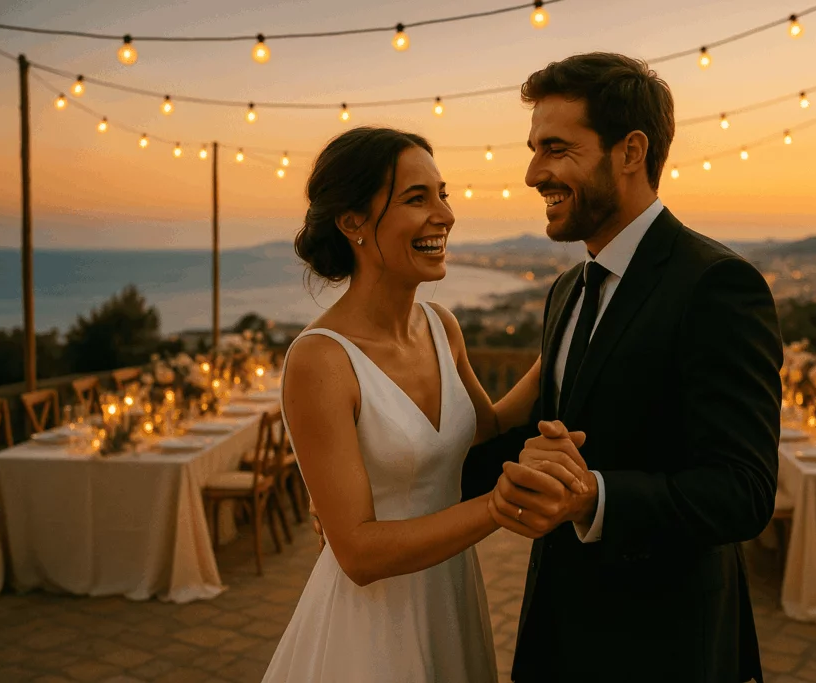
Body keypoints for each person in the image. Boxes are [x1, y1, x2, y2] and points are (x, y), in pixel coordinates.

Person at [461, 52, 784, 682]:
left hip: (665, 646)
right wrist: (386, 502)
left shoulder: (717, 286)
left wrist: (593, 498)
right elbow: (535, 440)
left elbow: (743, 492)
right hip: (559, 633)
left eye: (556, 148)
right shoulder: (566, 290)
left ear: (630, 152)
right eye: (533, 150)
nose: (533, 174)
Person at [262, 126, 589, 682]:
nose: (445, 214)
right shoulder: (320, 361)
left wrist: (573, 333)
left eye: (443, 194)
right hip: (371, 628)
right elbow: (358, 553)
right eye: (417, 199)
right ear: (353, 223)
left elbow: (488, 429)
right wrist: (496, 507)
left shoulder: (442, 326)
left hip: (451, 596)